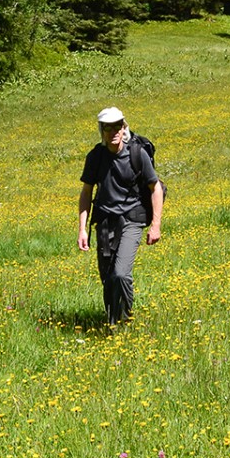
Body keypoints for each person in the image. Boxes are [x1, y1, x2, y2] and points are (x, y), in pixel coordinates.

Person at [77, 106, 163, 324]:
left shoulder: (137, 154)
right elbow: (86, 192)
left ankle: (124, 320)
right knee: (108, 278)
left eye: (118, 126)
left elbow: (156, 189)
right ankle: (112, 322)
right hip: (104, 221)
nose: (113, 131)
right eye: (108, 127)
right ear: (102, 130)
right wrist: (82, 229)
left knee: (121, 274)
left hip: (132, 219)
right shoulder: (95, 157)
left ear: (124, 128)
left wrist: (155, 225)